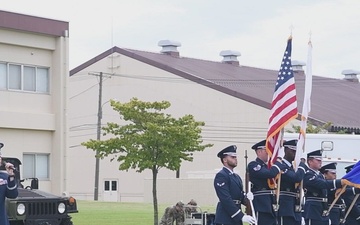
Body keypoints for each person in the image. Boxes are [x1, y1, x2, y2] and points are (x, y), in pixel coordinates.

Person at [214, 145, 256, 225]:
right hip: (225, 218)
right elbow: (225, 199)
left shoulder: (236, 177)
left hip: (235, 219)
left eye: (235, 157)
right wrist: (240, 216)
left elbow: (239, 195)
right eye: (232, 157)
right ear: (225, 159)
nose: (235, 159)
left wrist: (247, 198)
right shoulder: (221, 175)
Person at [247, 139, 287, 225]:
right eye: (266, 150)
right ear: (259, 152)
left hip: (271, 203)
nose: (269, 153)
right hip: (261, 204)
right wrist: (278, 160)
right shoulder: (254, 165)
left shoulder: (269, 166)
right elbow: (269, 174)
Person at [302, 150, 343, 225]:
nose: (320, 162)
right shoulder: (308, 174)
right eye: (318, 160)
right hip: (313, 209)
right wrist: (339, 182)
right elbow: (322, 184)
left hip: (323, 208)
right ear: (310, 162)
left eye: (321, 160)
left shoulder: (320, 175)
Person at [277, 139, 307, 225]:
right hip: (285, 208)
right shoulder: (281, 165)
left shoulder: (294, 167)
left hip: (295, 207)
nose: (295, 153)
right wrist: (302, 163)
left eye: (296, 151)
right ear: (285, 150)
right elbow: (296, 178)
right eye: (292, 150)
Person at [0, 143, 19, 225]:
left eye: (0, 156)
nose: (0, 158)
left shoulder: (4, 176)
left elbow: (12, 195)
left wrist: (11, 176)